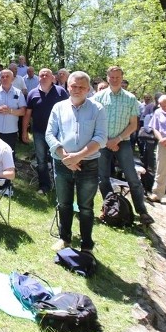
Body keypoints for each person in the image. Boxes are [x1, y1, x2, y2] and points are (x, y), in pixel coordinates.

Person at [46, 71, 106, 252]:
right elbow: (50, 134)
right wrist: (66, 157)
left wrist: (78, 156)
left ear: (88, 89)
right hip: (62, 163)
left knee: (86, 207)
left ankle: (86, 245)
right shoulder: (58, 107)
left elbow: (101, 138)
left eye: (81, 87)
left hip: (88, 164)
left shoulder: (98, 109)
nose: (77, 89)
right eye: (73, 86)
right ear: (68, 86)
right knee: (63, 203)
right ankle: (65, 238)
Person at [93, 66, 153, 225]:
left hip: (123, 142)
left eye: (117, 77)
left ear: (122, 78)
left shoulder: (130, 99)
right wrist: (106, 140)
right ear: (107, 78)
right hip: (102, 142)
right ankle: (111, 208)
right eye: (111, 77)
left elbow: (134, 125)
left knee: (133, 178)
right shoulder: (97, 98)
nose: (114, 80)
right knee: (102, 178)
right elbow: (93, 122)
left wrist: (117, 140)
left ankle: (142, 211)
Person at [21, 68, 68, 194]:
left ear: (53, 77)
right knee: (41, 161)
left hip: (57, 133)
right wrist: (24, 131)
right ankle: (44, 186)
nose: (44, 77)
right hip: (39, 132)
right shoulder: (32, 93)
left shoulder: (61, 92)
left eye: (47, 75)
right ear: (38, 77)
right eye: (41, 75)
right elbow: (27, 114)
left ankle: (60, 187)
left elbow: (69, 112)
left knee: (57, 159)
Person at [0, 69, 26, 150]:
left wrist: (10, 111)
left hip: (11, 130)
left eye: (7, 76)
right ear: (0, 79)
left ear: (12, 79)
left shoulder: (18, 93)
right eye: (2, 77)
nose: (4, 79)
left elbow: (23, 111)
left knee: (9, 155)